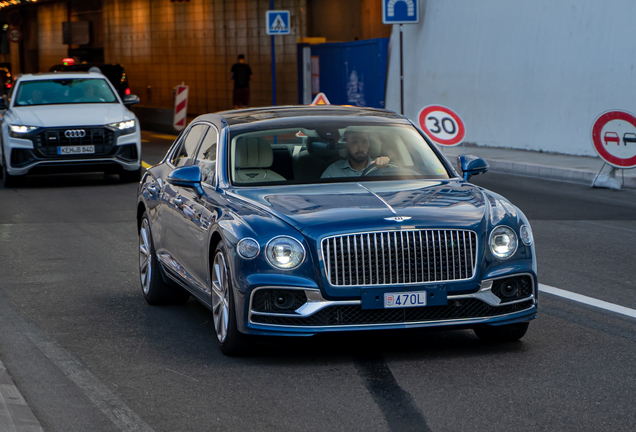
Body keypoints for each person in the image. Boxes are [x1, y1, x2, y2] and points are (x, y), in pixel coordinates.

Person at [321, 128, 390, 178]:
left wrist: (384, 169)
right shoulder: (334, 171)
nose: (360, 148)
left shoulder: (381, 166)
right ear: (347, 146)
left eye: (364, 142)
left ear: (369, 145)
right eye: (354, 143)